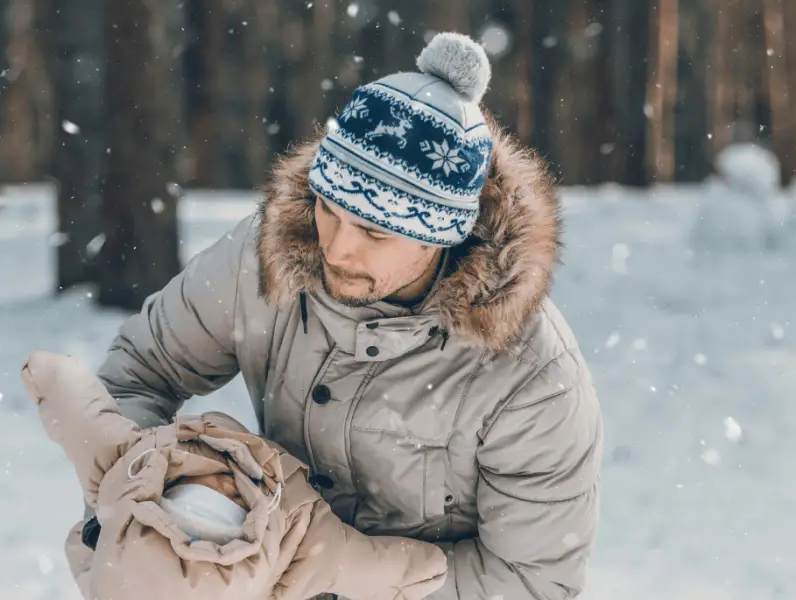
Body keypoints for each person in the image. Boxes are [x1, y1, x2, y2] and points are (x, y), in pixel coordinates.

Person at [90, 32, 603, 599]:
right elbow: (140, 370)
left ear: (443, 236)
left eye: (374, 232)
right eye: (328, 210)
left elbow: (532, 583)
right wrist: (159, 494)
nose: (335, 249)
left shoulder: (531, 378)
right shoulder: (267, 258)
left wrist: (353, 572)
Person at [23, 350, 448, 600]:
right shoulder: (300, 552)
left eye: (192, 498)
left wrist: (55, 382)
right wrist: (414, 569)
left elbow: (84, 420)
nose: (223, 486)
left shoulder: (124, 477)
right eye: (227, 504)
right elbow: (371, 565)